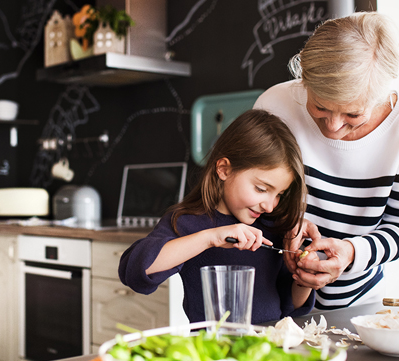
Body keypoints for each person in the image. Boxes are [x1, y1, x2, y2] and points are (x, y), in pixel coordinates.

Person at [253, 12, 399, 310]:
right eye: (320, 107)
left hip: (358, 304)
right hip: (270, 302)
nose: (333, 127)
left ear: (383, 94)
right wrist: (285, 222)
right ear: (304, 80)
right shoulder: (275, 106)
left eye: (353, 114)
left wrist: (351, 251)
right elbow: (247, 196)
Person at [118, 109, 315, 324]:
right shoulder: (189, 222)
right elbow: (135, 271)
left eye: (279, 194)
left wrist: (304, 279)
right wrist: (210, 238)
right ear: (224, 169)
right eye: (260, 189)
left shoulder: (275, 227)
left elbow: (291, 308)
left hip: (269, 353)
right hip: (211, 354)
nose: (269, 205)